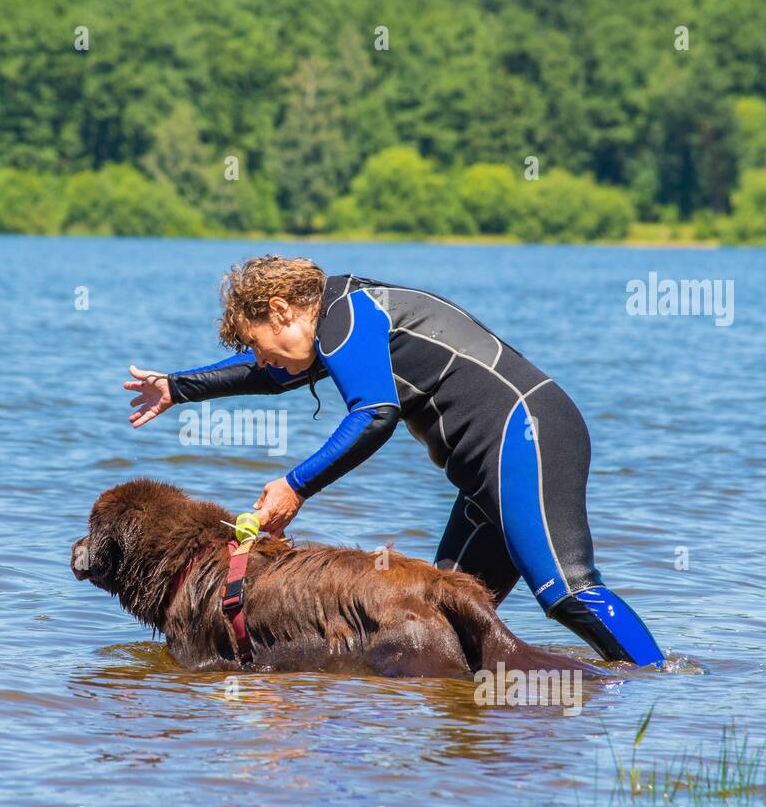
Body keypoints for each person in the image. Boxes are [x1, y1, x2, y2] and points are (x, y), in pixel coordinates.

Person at [124, 255, 665, 666]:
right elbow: (266, 376)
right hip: (487, 470)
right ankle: (470, 747)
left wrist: (296, 485)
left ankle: (660, 688)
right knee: (449, 613)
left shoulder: (349, 314)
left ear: (282, 310)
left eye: (256, 341)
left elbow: (374, 416)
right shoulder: (336, 323)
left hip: (529, 432)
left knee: (566, 591)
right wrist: (178, 387)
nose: (258, 356)